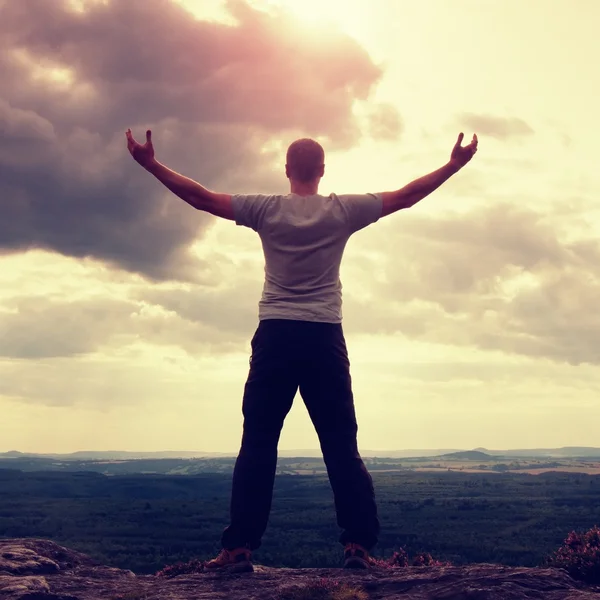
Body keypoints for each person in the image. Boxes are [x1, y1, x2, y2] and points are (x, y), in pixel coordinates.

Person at [126, 128, 478, 572]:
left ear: (287, 170)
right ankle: (358, 549)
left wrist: (151, 165)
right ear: (323, 171)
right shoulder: (343, 210)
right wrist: (453, 165)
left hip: (275, 335)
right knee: (339, 445)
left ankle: (238, 550)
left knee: (258, 443)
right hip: (324, 337)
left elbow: (201, 197)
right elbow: (407, 195)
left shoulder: (265, 209)